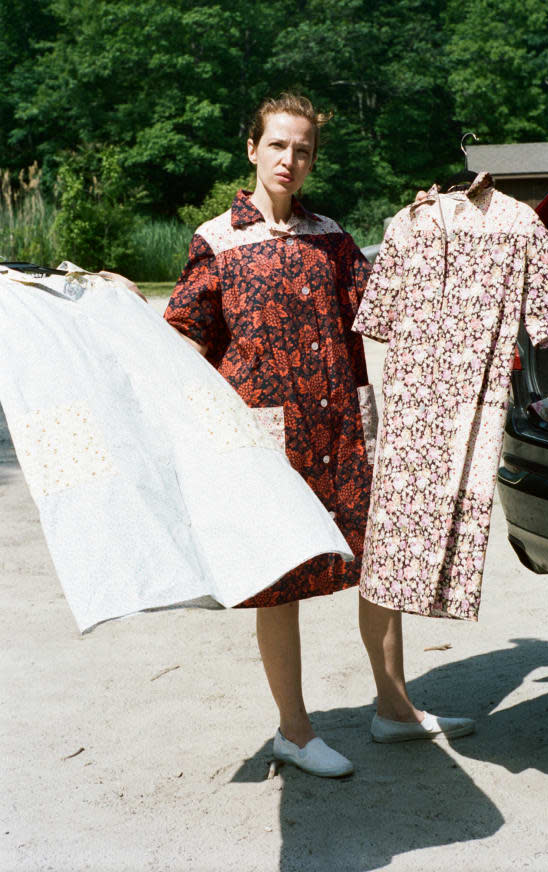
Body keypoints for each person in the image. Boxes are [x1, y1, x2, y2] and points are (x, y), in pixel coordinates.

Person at [105, 93, 474, 777]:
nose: (290, 159)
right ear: (253, 149)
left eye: (302, 149)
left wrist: (424, 232)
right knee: (281, 581)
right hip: (268, 441)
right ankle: (295, 732)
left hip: (342, 430)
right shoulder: (216, 240)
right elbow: (183, 336)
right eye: (278, 145)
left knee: (381, 567)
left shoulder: (331, 238)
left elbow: (386, 309)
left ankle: (393, 708)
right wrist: (124, 306)